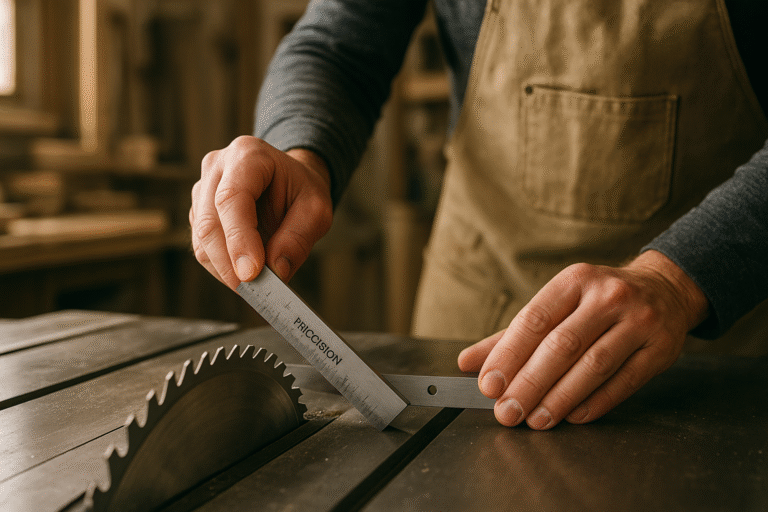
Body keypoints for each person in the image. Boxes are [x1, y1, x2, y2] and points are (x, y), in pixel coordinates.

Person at [190, 0, 768, 430]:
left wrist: (677, 279)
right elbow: (337, 45)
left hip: (709, 334)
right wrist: (299, 151)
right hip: (471, 315)